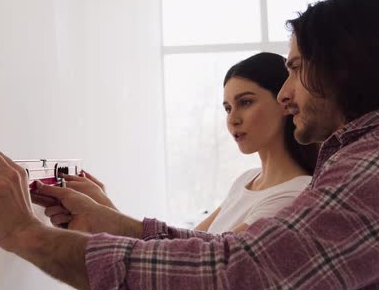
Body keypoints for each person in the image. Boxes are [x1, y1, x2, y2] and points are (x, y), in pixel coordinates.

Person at [0, 0, 379, 290]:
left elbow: (236, 275)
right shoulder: (365, 160)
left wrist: (30, 235)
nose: (287, 94)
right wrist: (113, 223)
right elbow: (228, 251)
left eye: (294, 68)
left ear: (343, 69)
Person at [41, 52, 318, 235]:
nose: (232, 119)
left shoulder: (293, 195)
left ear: (284, 101)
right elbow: (181, 248)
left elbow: (199, 263)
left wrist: (101, 216)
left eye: (245, 102)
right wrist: (103, 209)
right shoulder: (246, 181)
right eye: (227, 108)